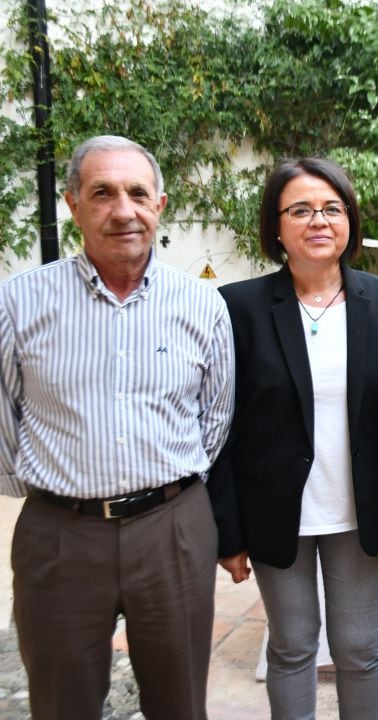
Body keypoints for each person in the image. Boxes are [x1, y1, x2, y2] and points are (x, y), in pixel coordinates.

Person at [0, 135, 235, 720]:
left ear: (159, 204)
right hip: (59, 534)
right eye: (102, 193)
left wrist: (165, 484)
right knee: (61, 701)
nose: (122, 209)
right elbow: (3, 415)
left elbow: (215, 418)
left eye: (136, 193)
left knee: (180, 701)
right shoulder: (19, 303)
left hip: (172, 529)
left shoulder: (201, 306)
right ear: (73, 205)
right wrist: (48, 489)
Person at [207, 157, 378, 719]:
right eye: (300, 210)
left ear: (349, 221)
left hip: (361, 509)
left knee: (360, 650)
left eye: (332, 208)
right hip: (278, 512)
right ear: (276, 226)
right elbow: (220, 427)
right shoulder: (238, 307)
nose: (318, 221)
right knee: (292, 647)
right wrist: (229, 531)